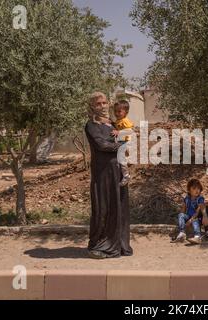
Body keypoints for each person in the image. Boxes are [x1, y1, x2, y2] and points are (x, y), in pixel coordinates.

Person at [85, 91, 133, 259]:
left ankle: (118, 244)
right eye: (98, 104)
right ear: (92, 106)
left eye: (104, 103)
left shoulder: (113, 123)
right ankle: (98, 245)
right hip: (103, 173)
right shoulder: (91, 125)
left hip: (117, 171)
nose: (102, 106)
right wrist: (120, 145)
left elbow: (126, 137)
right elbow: (101, 145)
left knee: (118, 208)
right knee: (103, 208)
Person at [173, 179, 205, 244]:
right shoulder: (187, 199)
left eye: (198, 188)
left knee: (195, 220)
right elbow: (183, 210)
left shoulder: (200, 199)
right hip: (188, 216)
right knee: (181, 215)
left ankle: (197, 236)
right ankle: (182, 233)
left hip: (197, 217)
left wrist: (190, 220)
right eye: (194, 188)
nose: (197, 190)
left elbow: (197, 212)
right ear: (189, 190)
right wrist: (182, 219)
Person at [112, 100, 135, 186]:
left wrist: (119, 133)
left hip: (126, 141)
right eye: (115, 111)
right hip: (122, 141)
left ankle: (126, 176)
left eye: (119, 111)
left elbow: (130, 130)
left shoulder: (125, 121)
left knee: (122, 160)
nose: (116, 113)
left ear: (126, 112)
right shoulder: (118, 120)